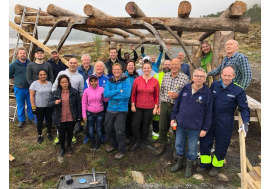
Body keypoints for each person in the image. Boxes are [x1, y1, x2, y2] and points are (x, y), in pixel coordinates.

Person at [197, 66, 250, 177]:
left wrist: (246, 122)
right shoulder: (215, 85)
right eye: (224, 75)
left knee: (222, 144)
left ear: (233, 76)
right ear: (221, 75)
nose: (226, 78)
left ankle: (216, 165)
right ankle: (204, 163)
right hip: (210, 120)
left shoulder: (238, 90)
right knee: (205, 141)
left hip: (225, 122)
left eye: (229, 76)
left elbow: (244, 108)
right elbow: (208, 100)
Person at [170, 68, 213, 178]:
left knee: (192, 149)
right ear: (193, 77)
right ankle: (179, 163)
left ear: (205, 79)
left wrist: (205, 129)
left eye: (201, 76)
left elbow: (209, 112)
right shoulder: (185, 88)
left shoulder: (207, 93)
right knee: (178, 144)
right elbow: (177, 104)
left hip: (195, 127)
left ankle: (188, 167)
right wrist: (173, 118)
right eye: (197, 76)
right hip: (181, 124)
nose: (199, 78)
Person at [153, 58, 189, 157]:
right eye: (172, 64)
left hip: (177, 106)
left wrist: (177, 96)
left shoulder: (184, 78)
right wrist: (160, 105)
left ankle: (175, 149)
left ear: (179, 66)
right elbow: (161, 91)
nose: (173, 66)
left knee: (175, 128)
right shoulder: (165, 76)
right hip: (165, 104)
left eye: (176, 64)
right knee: (162, 126)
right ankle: (162, 144)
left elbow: (187, 94)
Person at [52, 58, 84, 145]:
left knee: (71, 119)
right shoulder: (62, 73)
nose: (73, 64)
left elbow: (81, 91)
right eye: (71, 63)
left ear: (77, 64)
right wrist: (55, 97)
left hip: (73, 102)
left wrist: (79, 103)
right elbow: (54, 86)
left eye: (75, 63)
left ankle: (71, 134)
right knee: (60, 119)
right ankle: (59, 135)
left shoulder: (80, 76)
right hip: (61, 100)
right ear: (68, 63)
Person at [49, 74, 82, 157]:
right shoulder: (55, 93)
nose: (64, 84)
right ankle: (62, 148)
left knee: (70, 133)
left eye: (66, 82)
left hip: (71, 117)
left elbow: (78, 105)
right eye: (62, 82)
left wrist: (79, 117)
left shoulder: (74, 92)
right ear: (60, 83)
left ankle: (69, 146)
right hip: (60, 117)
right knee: (61, 134)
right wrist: (54, 102)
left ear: (68, 82)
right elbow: (49, 104)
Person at [129, 61, 160, 152]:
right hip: (138, 106)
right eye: (144, 68)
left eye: (148, 68)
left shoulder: (155, 81)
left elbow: (156, 95)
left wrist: (155, 107)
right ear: (142, 69)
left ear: (151, 69)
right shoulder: (137, 80)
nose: (146, 69)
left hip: (149, 107)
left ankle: (143, 140)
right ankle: (137, 140)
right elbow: (133, 93)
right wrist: (133, 105)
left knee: (145, 125)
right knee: (135, 125)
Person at [104, 63, 131, 160]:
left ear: (121, 70)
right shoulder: (109, 81)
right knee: (108, 128)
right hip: (110, 109)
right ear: (112, 70)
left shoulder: (126, 81)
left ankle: (121, 150)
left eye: (118, 69)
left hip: (121, 109)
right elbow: (106, 94)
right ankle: (114, 145)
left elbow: (126, 95)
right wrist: (117, 91)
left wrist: (113, 95)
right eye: (115, 69)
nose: (116, 71)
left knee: (119, 131)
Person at [83, 61, 109, 144]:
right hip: (91, 106)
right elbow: (85, 93)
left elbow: (108, 93)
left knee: (101, 123)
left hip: (103, 106)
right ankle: (88, 135)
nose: (99, 68)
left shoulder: (107, 79)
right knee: (90, 124)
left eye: (101, 66)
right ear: (95, 68)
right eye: (97, 66)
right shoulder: (89, 79)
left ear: (104, 68)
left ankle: (103, 135)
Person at [9, 47, 34, 127]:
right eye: (21, 53)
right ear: (17, 55)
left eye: (24, 53)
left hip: (29, 88)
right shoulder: (13, 65)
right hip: (19, 88)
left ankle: (31, 118)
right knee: (20, 105)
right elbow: (9, 75)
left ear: (26, 55)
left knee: (30, 104)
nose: (23, 54)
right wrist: (17, 80)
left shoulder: (30, 64)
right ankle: (21, 120)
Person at [29, 69, 53, 143]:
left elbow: (52, 94)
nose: (43, 76)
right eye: (41, 75)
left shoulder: (49, 83)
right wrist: (33, 107)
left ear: (46, 75)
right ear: (38, 76)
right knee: (40, 121)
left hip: (48, 106)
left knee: (49, 120)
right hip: (39, 106)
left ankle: (49, 133)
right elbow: (32, 96)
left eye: (44, 74)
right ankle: (40, 135)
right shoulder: (34, 84)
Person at [152, 59, 172, 140]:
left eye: (168, 64)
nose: (166, 66)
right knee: (156, 118)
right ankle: (155, 134)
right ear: (162, 65)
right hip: (157, 101)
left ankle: (165, 133)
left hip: (168, 102)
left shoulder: (173, 76)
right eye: (165, 64)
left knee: (166, 119)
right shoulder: (156, 76)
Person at [124, 60, 139, 145]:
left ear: (134, 66)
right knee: (126, 119)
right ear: (126, 67)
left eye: (132, 65)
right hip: (125, 102)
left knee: (133, 120)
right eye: (129, 65)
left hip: (134, 102)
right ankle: (126, 136)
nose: (130, 66)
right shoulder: (123, 76)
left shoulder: (137, 77)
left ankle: (133, 134)